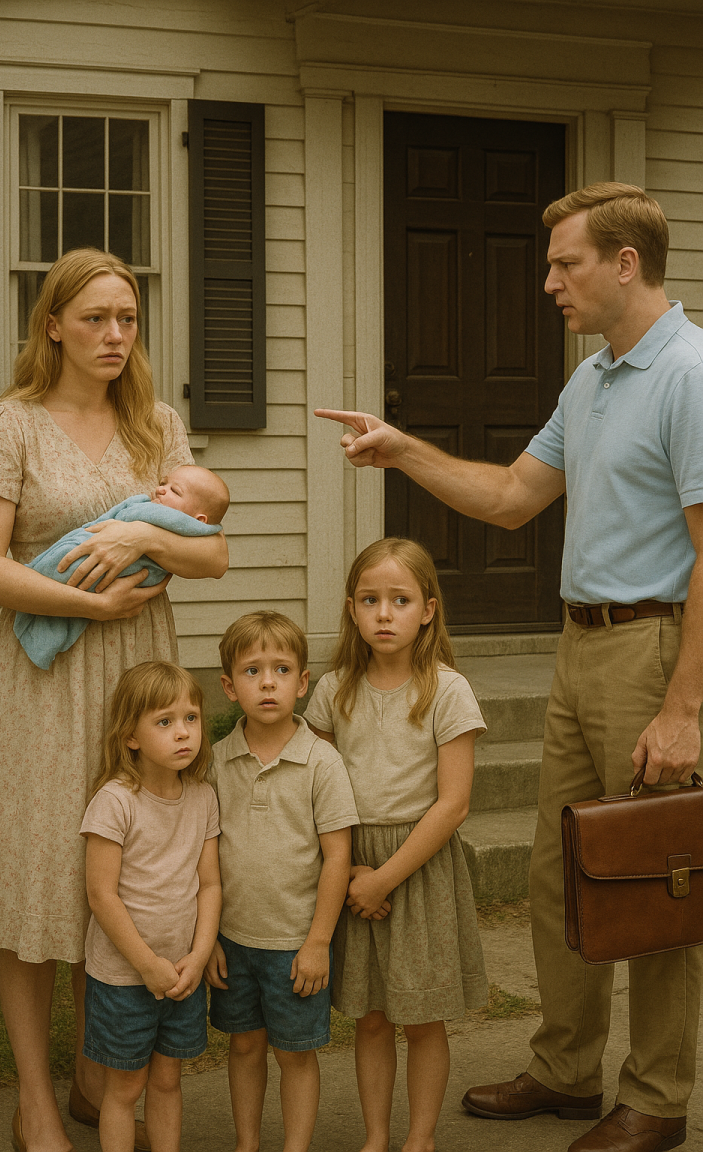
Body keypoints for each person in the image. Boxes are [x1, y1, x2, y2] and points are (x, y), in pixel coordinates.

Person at [316, 183, 703, 1152]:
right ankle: (569, 1070)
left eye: (564, 264)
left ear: (625, 264)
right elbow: (512, 496)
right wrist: (403, 452)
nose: (547, 284)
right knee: (562, 874)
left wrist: (685, 707)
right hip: (582, 644)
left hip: (655, 646)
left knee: (655, 877)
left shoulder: (690, 373)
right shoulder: (594, 380)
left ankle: (656, 1096)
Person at [0, 246, 228, 1152]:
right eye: (97, 319)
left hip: (140, 674)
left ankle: (96, 1077)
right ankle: (36, 1094)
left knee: (130, 871)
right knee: (39, 879)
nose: (115, 336)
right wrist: (89, 598)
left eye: (129, 320)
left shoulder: (157, 423)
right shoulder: (9, 424)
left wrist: (139, 532)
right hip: (45, 678)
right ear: (53, 327)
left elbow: (211, 552)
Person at [303, 537, 488, 1152]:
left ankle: (420, 1139)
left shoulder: (447, 690)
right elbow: (318, 787)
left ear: (428, 610)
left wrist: (384, 879)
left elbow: (453, 803)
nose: (384, 614)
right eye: (370, 600)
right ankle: (376, 1138)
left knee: (421, 1016)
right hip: (350, 861)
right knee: (373, 1017)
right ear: (351, 609)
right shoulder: (332, 691)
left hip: (420, 866)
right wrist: (352, 867)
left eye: (400, 600)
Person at [203, 611, 359, 1152]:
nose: (267, 682)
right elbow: (204, 860)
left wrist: (319, 942)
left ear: (303, 682)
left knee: (295, 1053)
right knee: (244, 1047)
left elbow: (338, 857)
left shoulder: (322, 762)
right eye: (251, 671)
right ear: (228, 687)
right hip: (233, 942)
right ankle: (248, 1143)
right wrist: (209, 940)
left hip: (295, 944)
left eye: (281, 669)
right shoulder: (217, 763)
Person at [80, 661, 221, 1152]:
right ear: (131, 737)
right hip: (124, 978)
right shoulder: (115, 802)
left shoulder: (203, 798)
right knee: (125, 1089)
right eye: (165, 722)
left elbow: (210, 886)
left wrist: (198, 957)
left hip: (181, 974)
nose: (183, 733)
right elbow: (101, 895)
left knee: (167, 1083)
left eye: (191, 718)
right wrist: (147, 965)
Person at [13, 465, 230, 668]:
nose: (159, 490)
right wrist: (95, 604)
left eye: (174, 490)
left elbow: (217, 561)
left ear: (199, 519)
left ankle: (40, 575)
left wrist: (141, 536)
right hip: (41, 598)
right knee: (69, 565)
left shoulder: (182, 522)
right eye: (162, 483)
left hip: (136, 632)